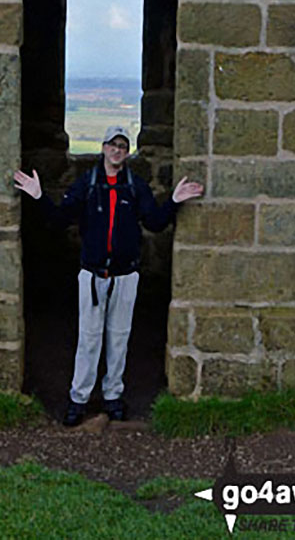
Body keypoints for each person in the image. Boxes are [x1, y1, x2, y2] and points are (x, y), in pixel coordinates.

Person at [14, 125, 203, 426]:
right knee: (89, 340)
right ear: (103, 148)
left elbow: (154, 222)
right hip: (92, 276)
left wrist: (174, 201)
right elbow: (60, 219)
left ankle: (113, 396)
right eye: (112, 145)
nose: (117, 150)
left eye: (123, 146)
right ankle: (78, 399)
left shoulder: (134, 186)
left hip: (126, 275)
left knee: (118, 338)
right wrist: (39, 197)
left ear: (126, 152)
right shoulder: (87, 184)